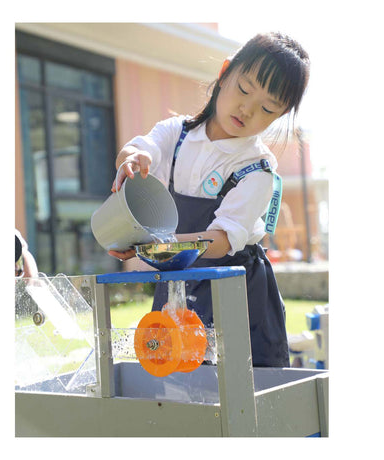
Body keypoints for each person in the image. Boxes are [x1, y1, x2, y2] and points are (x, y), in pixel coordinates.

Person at [108, 32, 310, 367]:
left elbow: (221, 240)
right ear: (225, 72)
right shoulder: (177, 133)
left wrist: (157, 246)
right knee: (174, 374)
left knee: (241, 383)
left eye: (267, 108)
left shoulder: (257, 169)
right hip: (178, 278)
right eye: (244, 89)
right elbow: (142, 147)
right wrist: (132, 158)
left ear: (280, 114)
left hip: (236, 289)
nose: (247, 109)